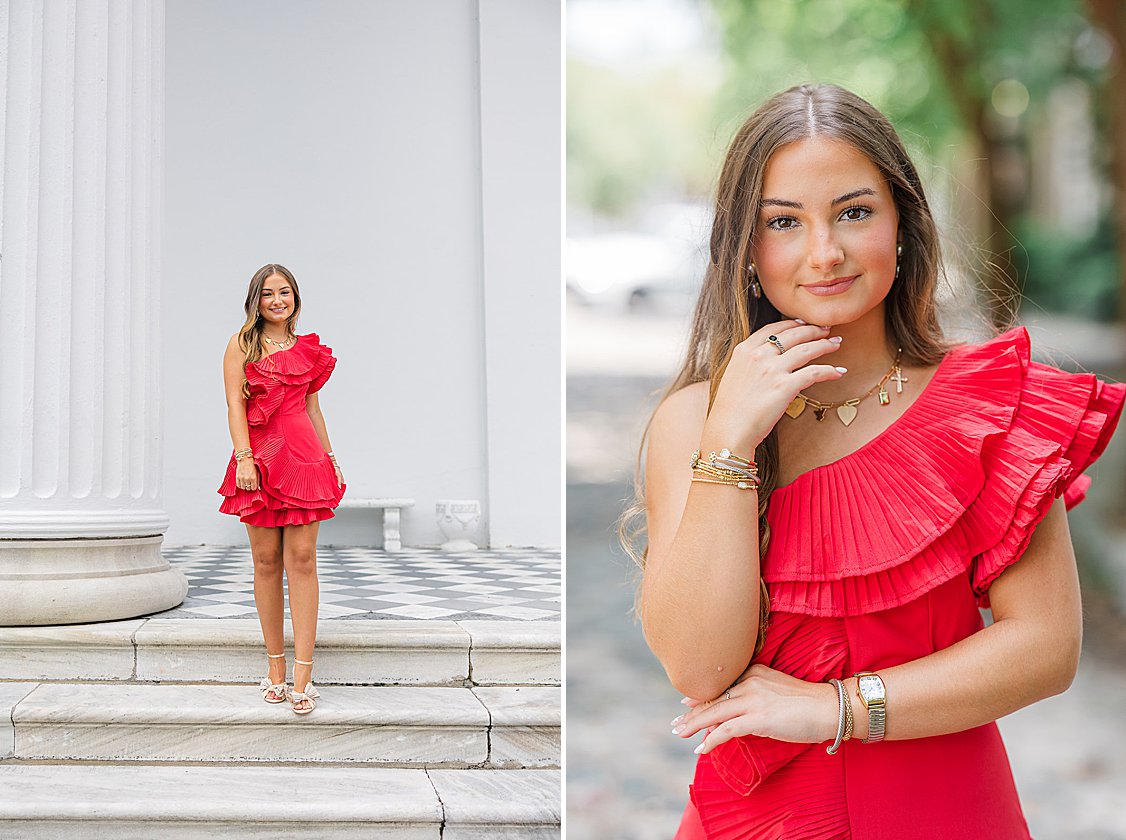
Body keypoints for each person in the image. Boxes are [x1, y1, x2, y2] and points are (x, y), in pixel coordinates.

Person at [626, 84, 1126, 838]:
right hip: (758, 821)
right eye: (784, 222)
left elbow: (1046, 648)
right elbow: (699, 670)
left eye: (854, 212)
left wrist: (837, 709)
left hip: (943, 808)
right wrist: (730, 441)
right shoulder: (695, 420)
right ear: (746, 248)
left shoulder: (989, 407)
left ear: (903, 225)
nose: (823, 251)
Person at [218, 263, 346, 715]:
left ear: (296, 298)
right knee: (266, 561)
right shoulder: (242, 344)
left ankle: (304, 675)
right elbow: (235, 404)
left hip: (305, 457)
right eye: (269, 293)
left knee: (303, 560)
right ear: (256, 299)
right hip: (260, 458)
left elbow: (313, 409)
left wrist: (331, 459)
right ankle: (274, 668)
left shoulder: (307, 349)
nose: (277, 300)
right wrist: (244, 458)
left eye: (285, 292)